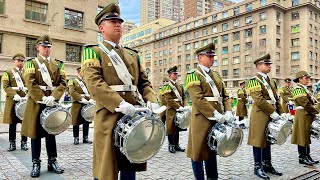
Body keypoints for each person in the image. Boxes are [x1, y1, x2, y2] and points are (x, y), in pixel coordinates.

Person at [81, 3, 158, 180]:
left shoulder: (133, 54)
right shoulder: (93, 52)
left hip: (133, 116)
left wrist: (151, 100)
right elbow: (94, 83)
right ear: (101, 28)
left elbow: (144, 83)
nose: (118, 24)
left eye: (120, 21)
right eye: (113, 21)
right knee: (107, 168)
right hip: (109, 115)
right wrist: (119, 103)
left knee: (130, 161)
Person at [184, 43, 234, 180]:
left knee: (212, 149)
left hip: (217, 118)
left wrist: (228, 111)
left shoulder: (216, 75)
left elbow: (225, 96)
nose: (213, 58)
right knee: (198, 150)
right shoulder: (193, 75)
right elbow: (198, 99)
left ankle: (213, 177)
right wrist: (214, 114)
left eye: (213, 56)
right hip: (201, 118)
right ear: (200, 57)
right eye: (209, 56)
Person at [21, 34, 65, 177]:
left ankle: (52, 161)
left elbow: (63, 83)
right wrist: (42, 98)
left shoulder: (59, 64)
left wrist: (54, 97)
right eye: (44, 46)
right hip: (36, 103)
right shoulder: (31, 63)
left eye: (49, 47)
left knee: (51, 132)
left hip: (52, 103)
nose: (46, 49)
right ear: (38, 47)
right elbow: (30, 82)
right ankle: (36, 162)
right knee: (35, 134)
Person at [246, 54, 285, 179]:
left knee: (268, 140)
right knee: (258, 141)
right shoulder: (253, 81)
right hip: (260, 114)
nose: (269, 66)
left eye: (269, 64)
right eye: (266, 64)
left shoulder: (271, 81)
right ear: (258, 66)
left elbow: (275, 98)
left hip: (271, 112)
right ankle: (258, 167)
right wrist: (272, 112)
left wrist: (281, 111)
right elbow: (259, 100)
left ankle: (267, 164)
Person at [291, 71, 319, 165]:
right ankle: (302, 156)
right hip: (303, 114)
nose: (308, 80)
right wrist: (317, 111)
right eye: (306, 78)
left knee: (306, 136)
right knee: (302, 136)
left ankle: (307, 155)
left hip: (307, 114)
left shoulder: (304, 89)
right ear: (300, 79)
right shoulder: (298, 89)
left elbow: (312, 101)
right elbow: (305, 103)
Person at [2, 53, 28, 151]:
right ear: (14, 61)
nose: (20, 62)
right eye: (18, 60)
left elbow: (31, 86)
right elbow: (6, 86)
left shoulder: (27, 73)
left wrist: (29, 95)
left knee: (24, 123)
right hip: (13, 101)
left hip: (25, 101)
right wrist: (14, 94)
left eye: (22, 61)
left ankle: (24, 143)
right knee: (12, 124)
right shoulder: (8, 73)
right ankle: (12, 143)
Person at [161, 66, 187, 153]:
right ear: (170, 75)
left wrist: (184, 106)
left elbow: (184, 97)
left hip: (180, 108)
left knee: (177, 128)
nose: (176, 75)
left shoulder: (179, 85)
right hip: (172, 109)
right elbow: (169, 99)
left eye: (176, 74)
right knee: (171, 128)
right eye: (174, 74)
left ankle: (176, 145)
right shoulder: (167, 86)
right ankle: (171, 145)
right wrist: (178, 107)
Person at [68, 67, 93, 145]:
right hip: (77, 104)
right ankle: (76, 138)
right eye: (82, 72)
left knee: (86, 121)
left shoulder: (86, 81)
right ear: (78, 72)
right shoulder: (73, 81)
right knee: (76, 122)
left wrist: (91, 99)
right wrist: (81, 99)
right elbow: (72, 91)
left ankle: (85, 137)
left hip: (86, 103)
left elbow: (90, 91)